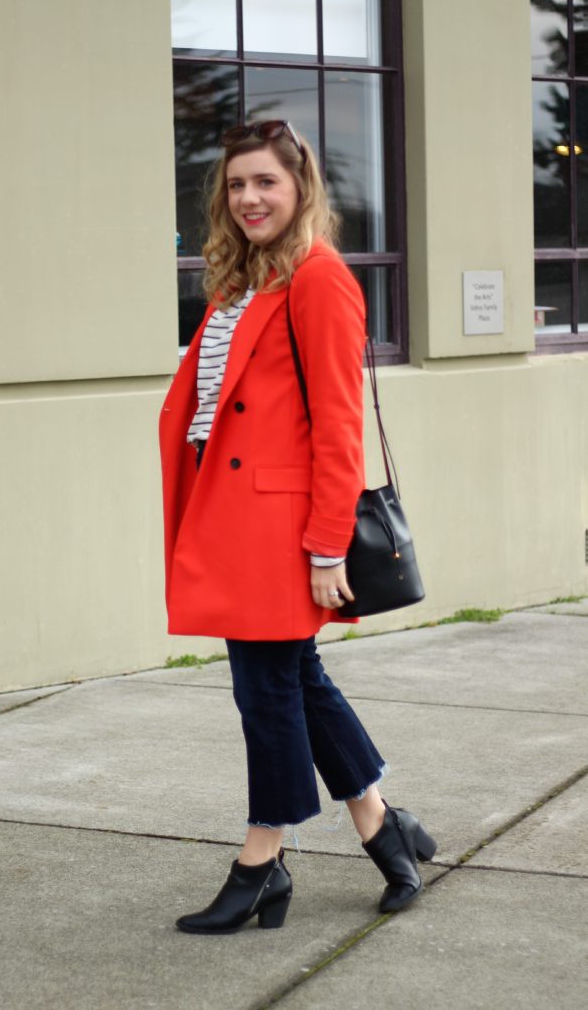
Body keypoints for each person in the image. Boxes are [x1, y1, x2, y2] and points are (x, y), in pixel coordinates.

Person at [159, 120, 436, 935]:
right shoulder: (244, 277)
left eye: (265, 184)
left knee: (266, 692)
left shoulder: (317, 278)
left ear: (300, 187)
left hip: (281, 527)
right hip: (232, 513)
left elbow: (338, 427)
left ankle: (260, 862)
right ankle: (385, 829)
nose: (249, 198)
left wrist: (324, 548)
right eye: (237, 185)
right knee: (297, 684)